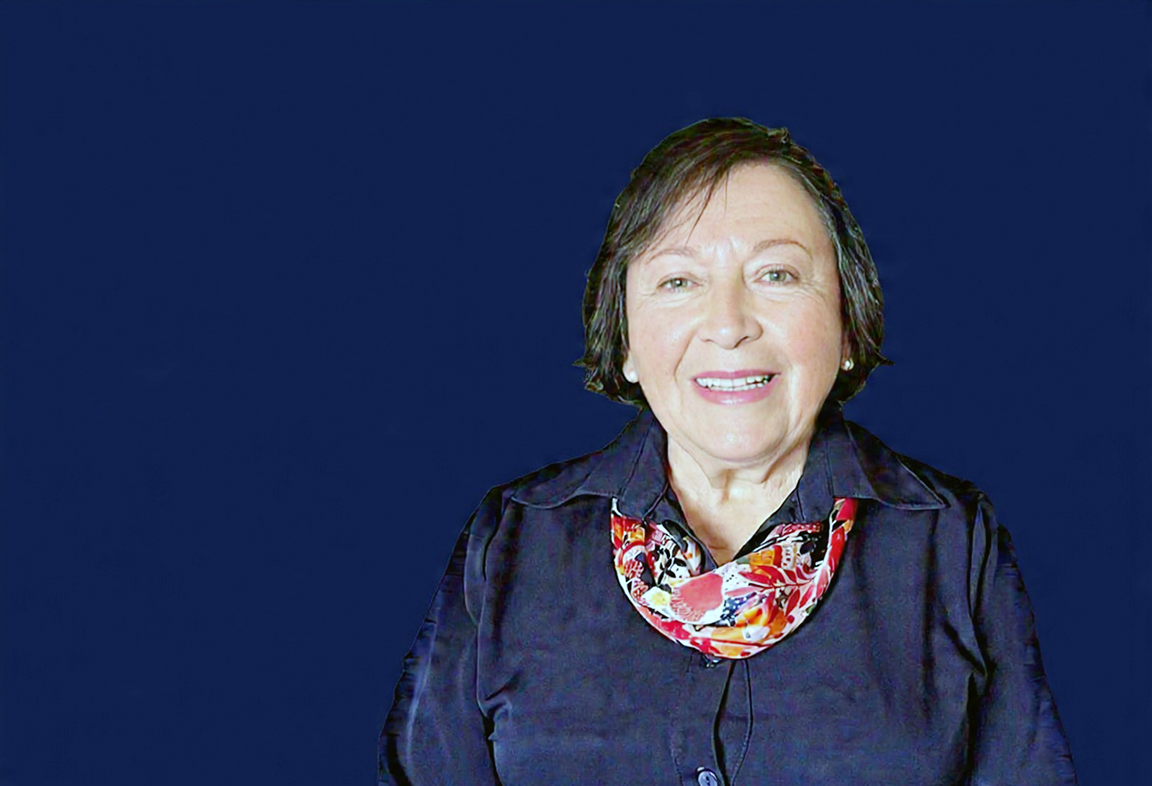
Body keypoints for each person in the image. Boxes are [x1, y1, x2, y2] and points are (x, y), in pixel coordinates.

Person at [378, 118, 1076, 785]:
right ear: (625, 340)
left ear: (846, 324)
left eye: (776, 275)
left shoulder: (955, 543)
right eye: (679, 282)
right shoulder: (509, 541)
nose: (729, 324)